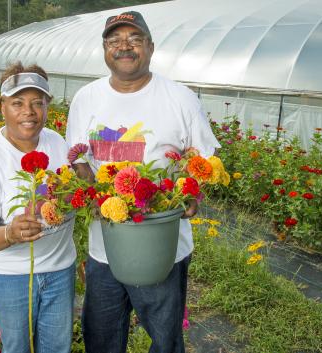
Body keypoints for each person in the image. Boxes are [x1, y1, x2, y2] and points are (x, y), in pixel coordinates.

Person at [66, 11, 221, 353]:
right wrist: (93, 192)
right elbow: (78, 158)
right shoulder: (86, 98)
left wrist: (192, 192)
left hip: (163, 247)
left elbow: (204, 159)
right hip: (104, 247)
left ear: (150, 47)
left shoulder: (180, 98)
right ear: (105, 49)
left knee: (165, 340)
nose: (124, 47)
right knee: (101, 337)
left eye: (134, 39)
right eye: (115, 41)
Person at [0, 62, 76, 353]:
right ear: (2, 107)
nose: (29, 112)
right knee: (17, 348)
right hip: (8, 277)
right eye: (18, 103)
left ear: (48, 107)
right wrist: (10, 233)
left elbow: (73, 194)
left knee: (58, 348)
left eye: (38, 102)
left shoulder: (58, 143)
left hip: (60, 271)